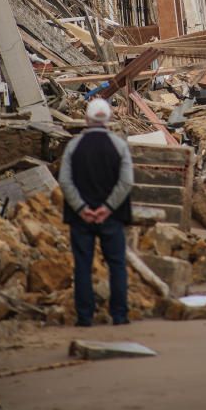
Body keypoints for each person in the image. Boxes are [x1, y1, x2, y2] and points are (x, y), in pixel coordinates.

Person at [58, 98, 133, 326]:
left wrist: (81, 208)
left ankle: (84, 317)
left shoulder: (74, 145)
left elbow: (64, 180)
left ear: (86, 119)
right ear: (109, 119)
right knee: (117, 265)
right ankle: (119, 315)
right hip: (112, 217)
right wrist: (107, 208)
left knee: (82, 265)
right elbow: (127, 182)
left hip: (80, 218)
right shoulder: (119, 145)